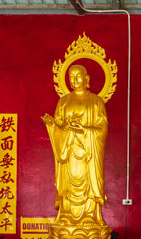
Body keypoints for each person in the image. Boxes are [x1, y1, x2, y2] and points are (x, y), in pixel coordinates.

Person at [43, 65, 107, 226]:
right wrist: (52, 125)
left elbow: (102, 129)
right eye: (71, 77)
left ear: (87, 79)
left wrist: (83, 130)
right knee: (68, 187)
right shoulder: (63, 102)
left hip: (88, 154)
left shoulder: (96, 102)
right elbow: (59, 127)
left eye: (78, 76)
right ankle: (66, 216)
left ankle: (90, 217)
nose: (75, 80)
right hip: (69, 152)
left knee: (88, 185)